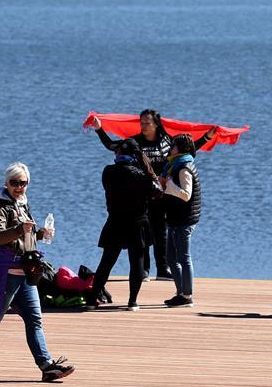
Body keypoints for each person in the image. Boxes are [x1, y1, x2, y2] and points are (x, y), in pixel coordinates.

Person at [0, 162, 75, 382]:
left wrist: (40, 234)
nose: (19, 187)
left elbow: (24, 238)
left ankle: (46, 365)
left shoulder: (21, 204)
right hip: (7, 272)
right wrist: (20, 229)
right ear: (6, 183)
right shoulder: (0, 206)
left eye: (23, 183)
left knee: (35, 319)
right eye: (14, 183)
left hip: (25, 273)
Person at [92, 110, 213, 280]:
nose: (143, 126)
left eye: (147, 123)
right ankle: (143, 270)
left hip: (162, 193)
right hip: (141, 193)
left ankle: (162, 269)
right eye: (141, 123)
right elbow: (111, 145)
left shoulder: (166, 142)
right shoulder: (135, 142)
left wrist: (207, 137)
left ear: (156, 124)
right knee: (143, 233)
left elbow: (188, 151)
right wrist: (99, 129)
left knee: (160, 231)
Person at [87, 138, 159, 311]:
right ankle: (132, 302)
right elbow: (157, 193)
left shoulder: (108, 172)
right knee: (137, 262)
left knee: (106, 262)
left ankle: (92, 300)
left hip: (115, 221)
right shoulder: (142, 176)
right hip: (138, 222)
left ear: (119, 153)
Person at [160, 134, 202, 308]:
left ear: (181, 149)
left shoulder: (184, 168)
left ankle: (187, 295)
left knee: (183, 258)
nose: (170, 148)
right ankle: (180, 293)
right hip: (174, 218)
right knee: (170, 258)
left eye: (173, 146)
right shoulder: (173, 166)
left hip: (184, 220)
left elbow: (186, 195)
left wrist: (169, 186)